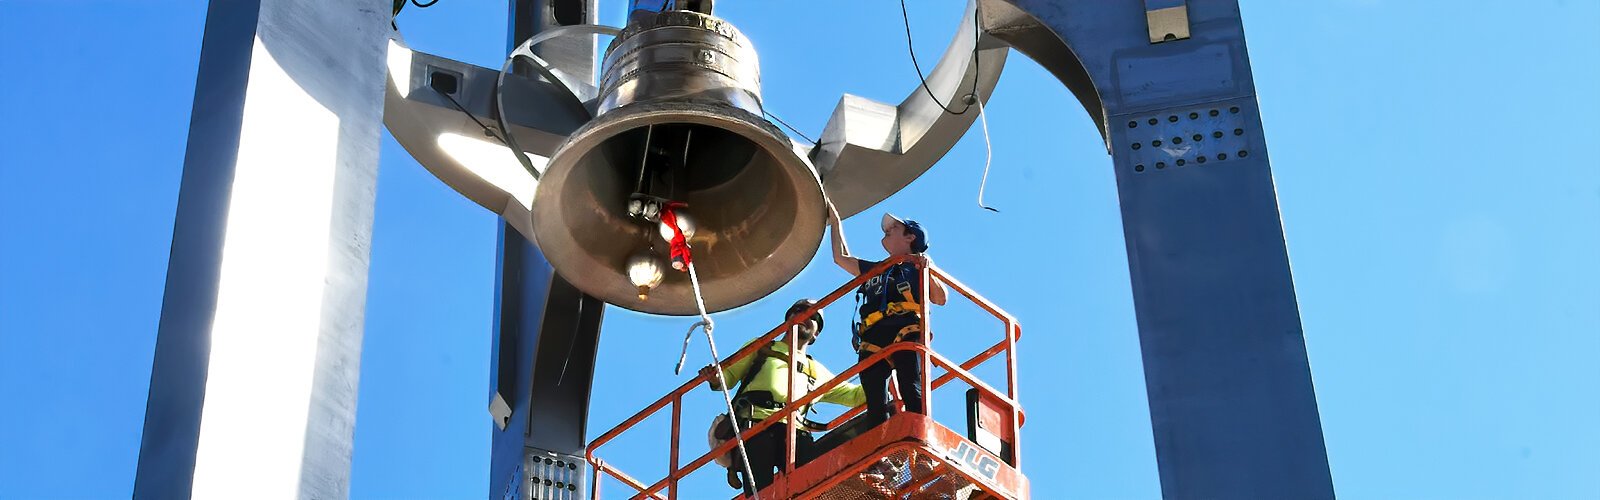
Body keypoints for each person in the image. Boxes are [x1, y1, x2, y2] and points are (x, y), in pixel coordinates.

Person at [701, 299, 866, 494]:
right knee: (760, 492)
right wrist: (714, 377)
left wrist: (890, 365)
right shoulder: (761, 347)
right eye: (797, 311)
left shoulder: (816, 371)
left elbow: (855, 396)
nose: (803, 316)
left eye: (812, 317)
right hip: (756, 426)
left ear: (816, 334)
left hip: (795, 431)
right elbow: (727, 378)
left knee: (813, 485)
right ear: (787, 320)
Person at [827, 207, 948, 428]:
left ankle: (919, 447)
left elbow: (940, 298)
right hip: (873, 336)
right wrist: (835, 221)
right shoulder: (877, 269)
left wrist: (926, 268)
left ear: (910, 237)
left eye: (895, 227)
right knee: (875, 403)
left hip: (904, 329)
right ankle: (882, 457)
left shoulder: (915, 266)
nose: (888, 230)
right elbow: (840, 257)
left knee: (911, 388)